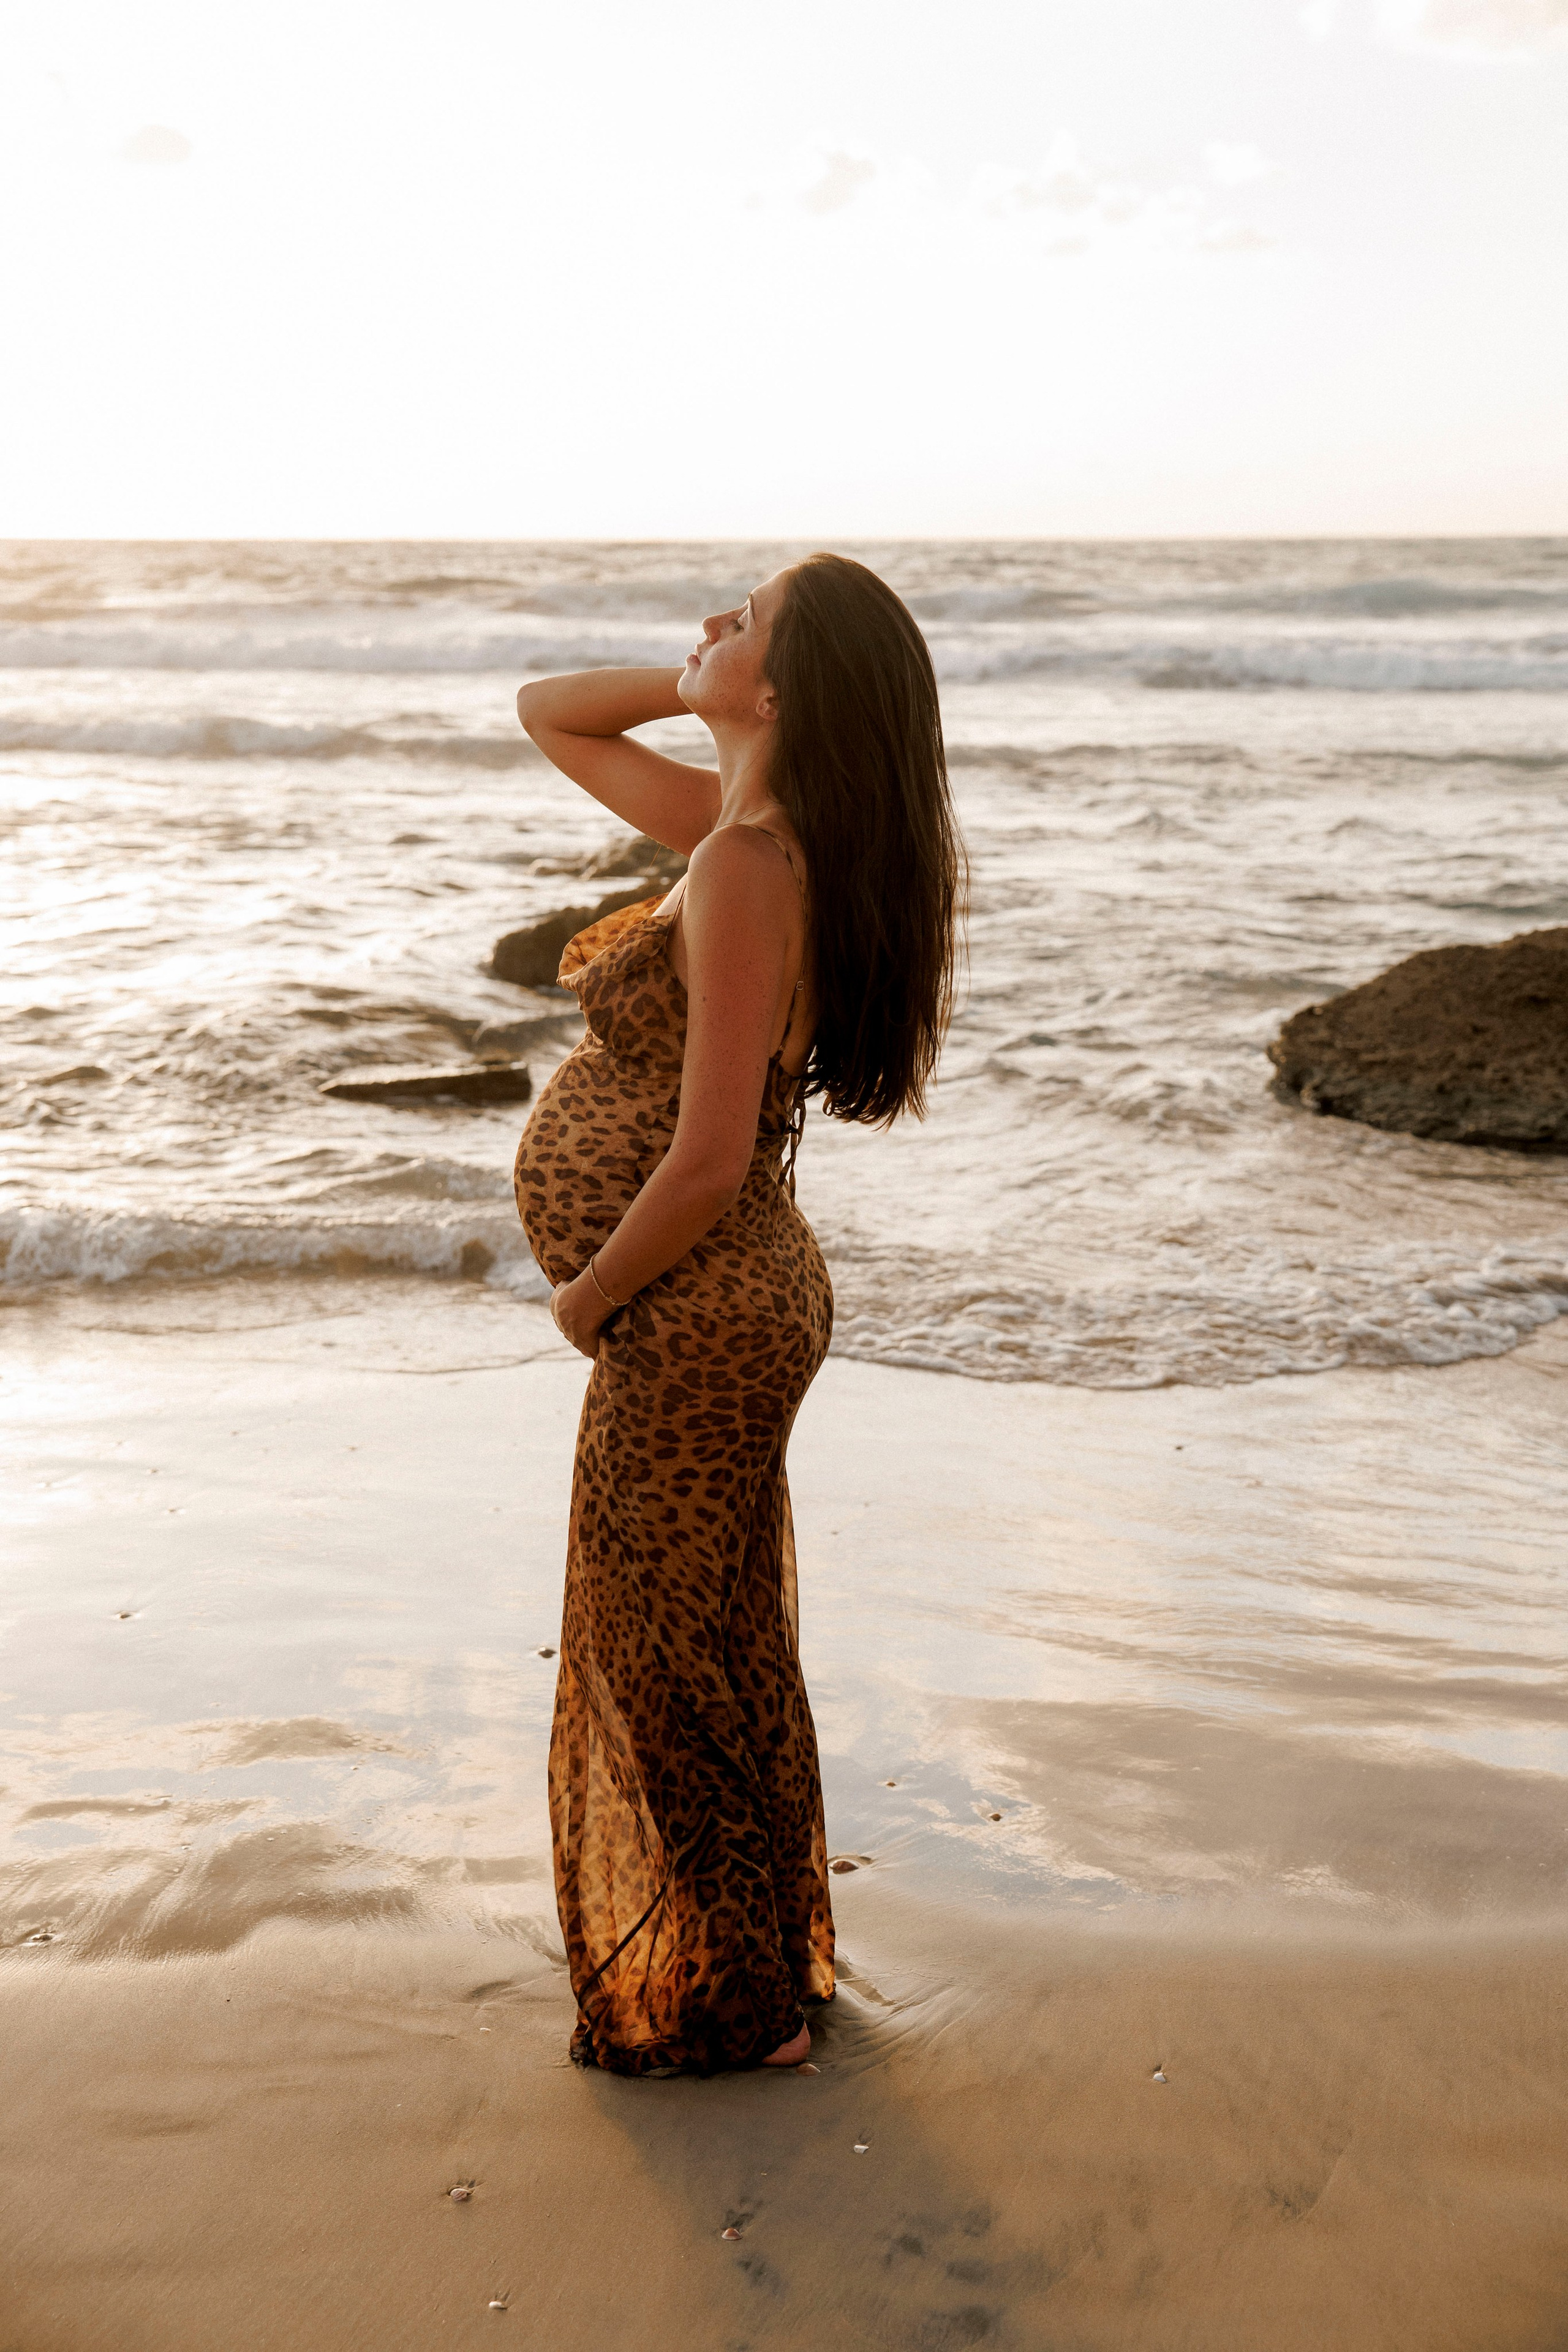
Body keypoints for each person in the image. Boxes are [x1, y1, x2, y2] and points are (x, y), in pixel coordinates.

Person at [512, 553, 963, 2076]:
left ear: (784, 686)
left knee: (663, 1649)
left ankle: (737, 2001)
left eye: (744, 618)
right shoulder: (743, 833)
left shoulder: (753, 863)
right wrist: (703, 673)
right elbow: (549, 714)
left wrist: (588, 1292)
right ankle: (758, 1963)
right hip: (728, 1301)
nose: (713, 622)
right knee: (711, 1635)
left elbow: (707, 1159)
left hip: (701, 1303)